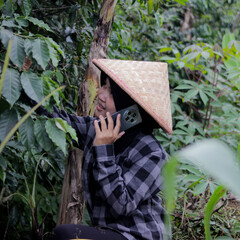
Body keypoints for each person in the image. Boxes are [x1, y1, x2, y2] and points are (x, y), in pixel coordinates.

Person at [50, 59, 173, 240]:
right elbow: (58, 122)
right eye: (104, 86)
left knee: (65, 234)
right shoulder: (97, 129)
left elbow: (122, 204)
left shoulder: (153, 154)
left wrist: (104, 149)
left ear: (129, 110)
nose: (100, 93)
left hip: (138, 237)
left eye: (111, 92)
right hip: (109, 234)